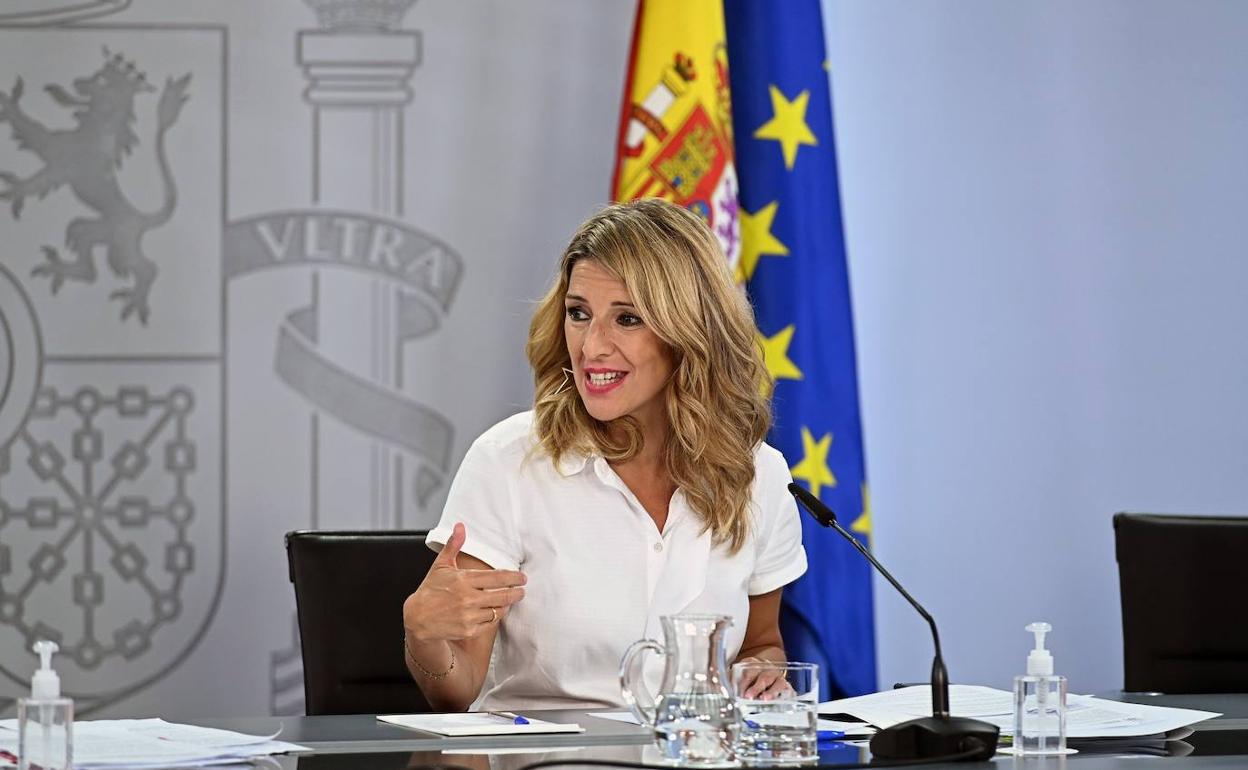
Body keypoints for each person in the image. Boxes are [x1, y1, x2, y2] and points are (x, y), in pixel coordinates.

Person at [401, 198, 808, 711]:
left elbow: (761, 644)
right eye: (578, 314)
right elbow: (455, 692)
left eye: (627, 319)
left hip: (692, 748)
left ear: (690, 331)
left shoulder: (758, 473)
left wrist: (762, 673)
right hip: (544, 752)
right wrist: (424, 634)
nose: (591, 347)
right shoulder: (508, 460)